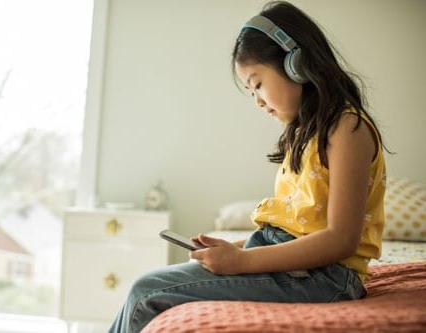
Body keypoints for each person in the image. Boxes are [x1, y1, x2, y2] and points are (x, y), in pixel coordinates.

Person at [109, 1, 388, 332]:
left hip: (326, 278)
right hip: (302, 269)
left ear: (296, 64)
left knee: (146, 292)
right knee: (148, 287)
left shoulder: (347, 128)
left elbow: (340, 240)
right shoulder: (307, 135)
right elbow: (296, 232)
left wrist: (242, 261)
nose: (257, 100)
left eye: (257, 83)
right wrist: (233, 249)